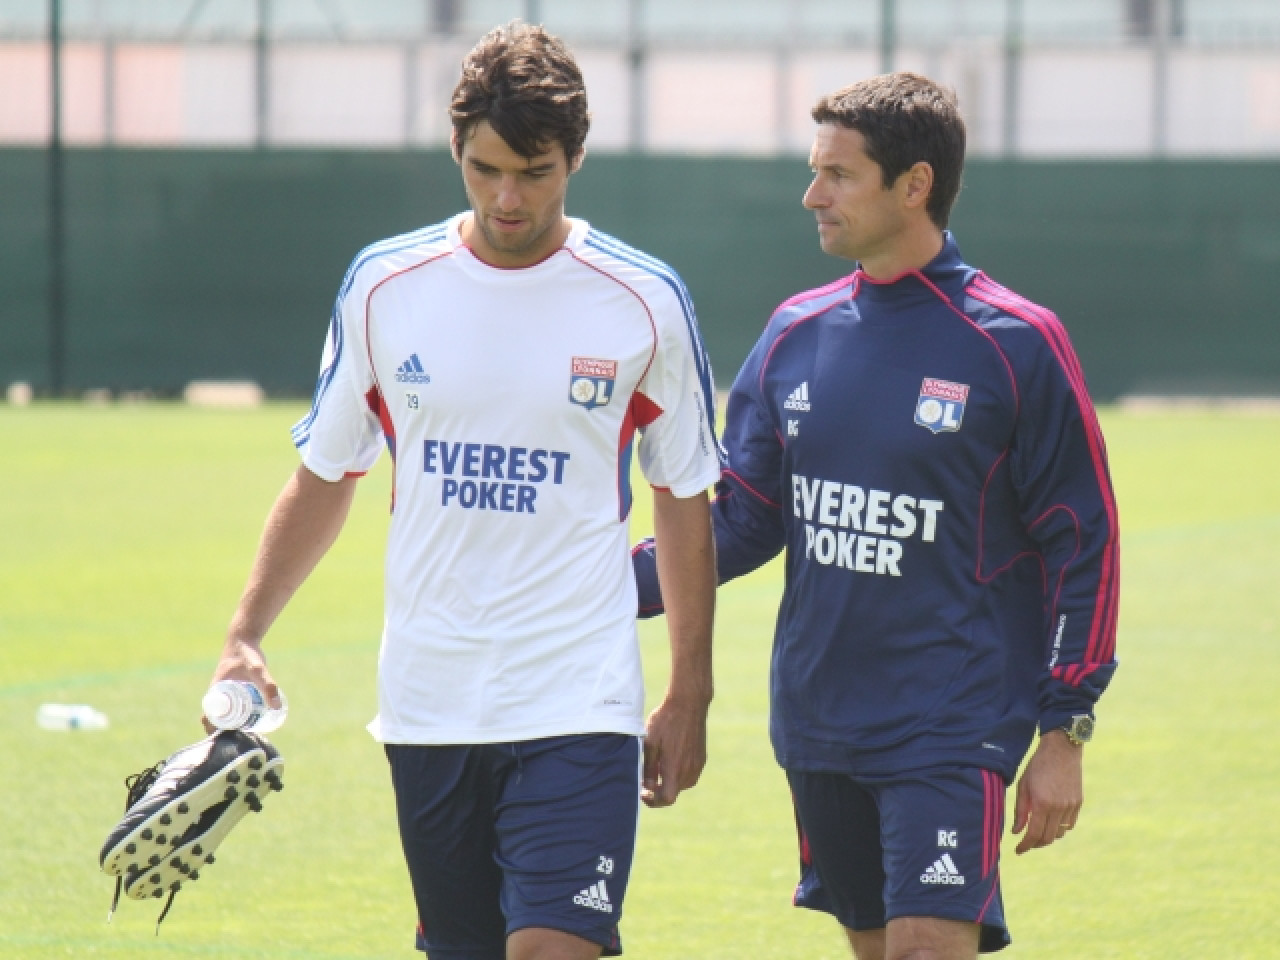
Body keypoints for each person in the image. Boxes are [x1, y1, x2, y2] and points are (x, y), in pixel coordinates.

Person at [211, 22, 719, 960]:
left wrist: (691, 690)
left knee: (549, 949)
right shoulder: (384, 285)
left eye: (535, 171)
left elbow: (683, 497)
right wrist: (245, 632)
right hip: (429, 700)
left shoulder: (644, 301)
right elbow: (329, 472)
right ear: (456, 148)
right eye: (485, 168)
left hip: (579, 695)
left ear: (576, 157)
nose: (507, 196)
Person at [633, 72, 1119, 959]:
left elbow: (1083, 541)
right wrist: (580, 584)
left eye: (838, 175)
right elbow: (740, 522)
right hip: (818, 720)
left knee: (926, 949)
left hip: (952, 718)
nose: (811, 195)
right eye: (815, 171)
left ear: (915, 184)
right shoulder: (793, 333)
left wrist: (1066, 728)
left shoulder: (1015, 342)